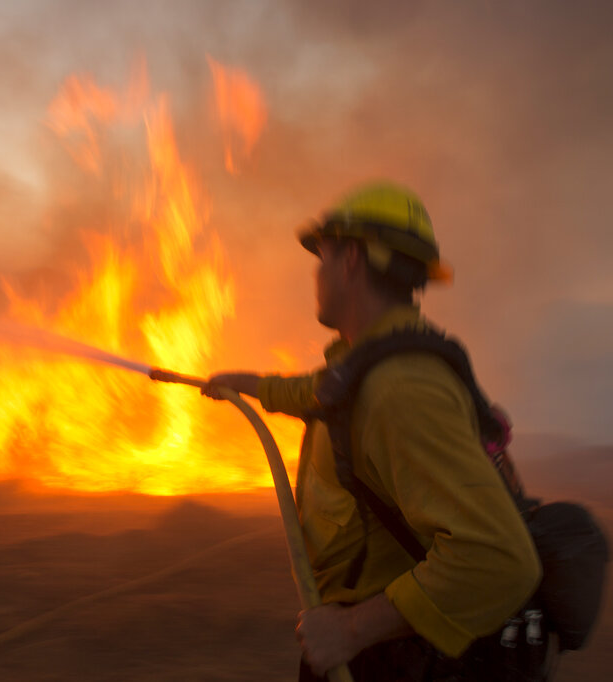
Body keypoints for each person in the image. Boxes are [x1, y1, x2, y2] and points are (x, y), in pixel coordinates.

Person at [201, 182, 542, 681]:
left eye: (322, 256)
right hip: (377, 649)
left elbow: (500, 559)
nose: (316, 273)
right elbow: (317, 393)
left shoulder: (400, 386)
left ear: (352, 259)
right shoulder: (367, 365)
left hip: (396, 659)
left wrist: (354, 630)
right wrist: (248, 384)